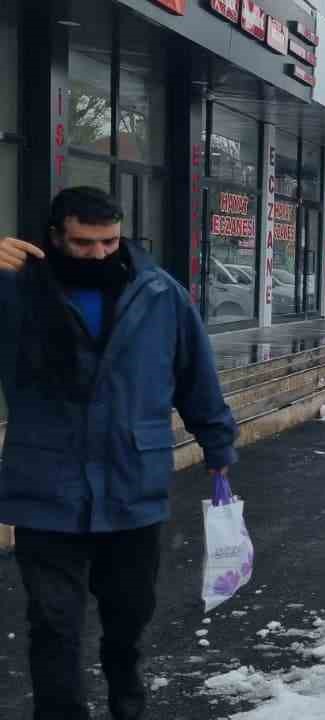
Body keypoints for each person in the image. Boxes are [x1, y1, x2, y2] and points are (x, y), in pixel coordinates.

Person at [0, 187, 239, 720]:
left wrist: (217, 440)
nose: (99, 254)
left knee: (128, 616)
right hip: (46, 483)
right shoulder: (15, 290)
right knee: (53, 621)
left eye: (109, 242)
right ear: (55, 236)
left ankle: (127, 697)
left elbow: (195, 373)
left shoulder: (159, 294)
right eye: (83, 243)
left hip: (133, 482)